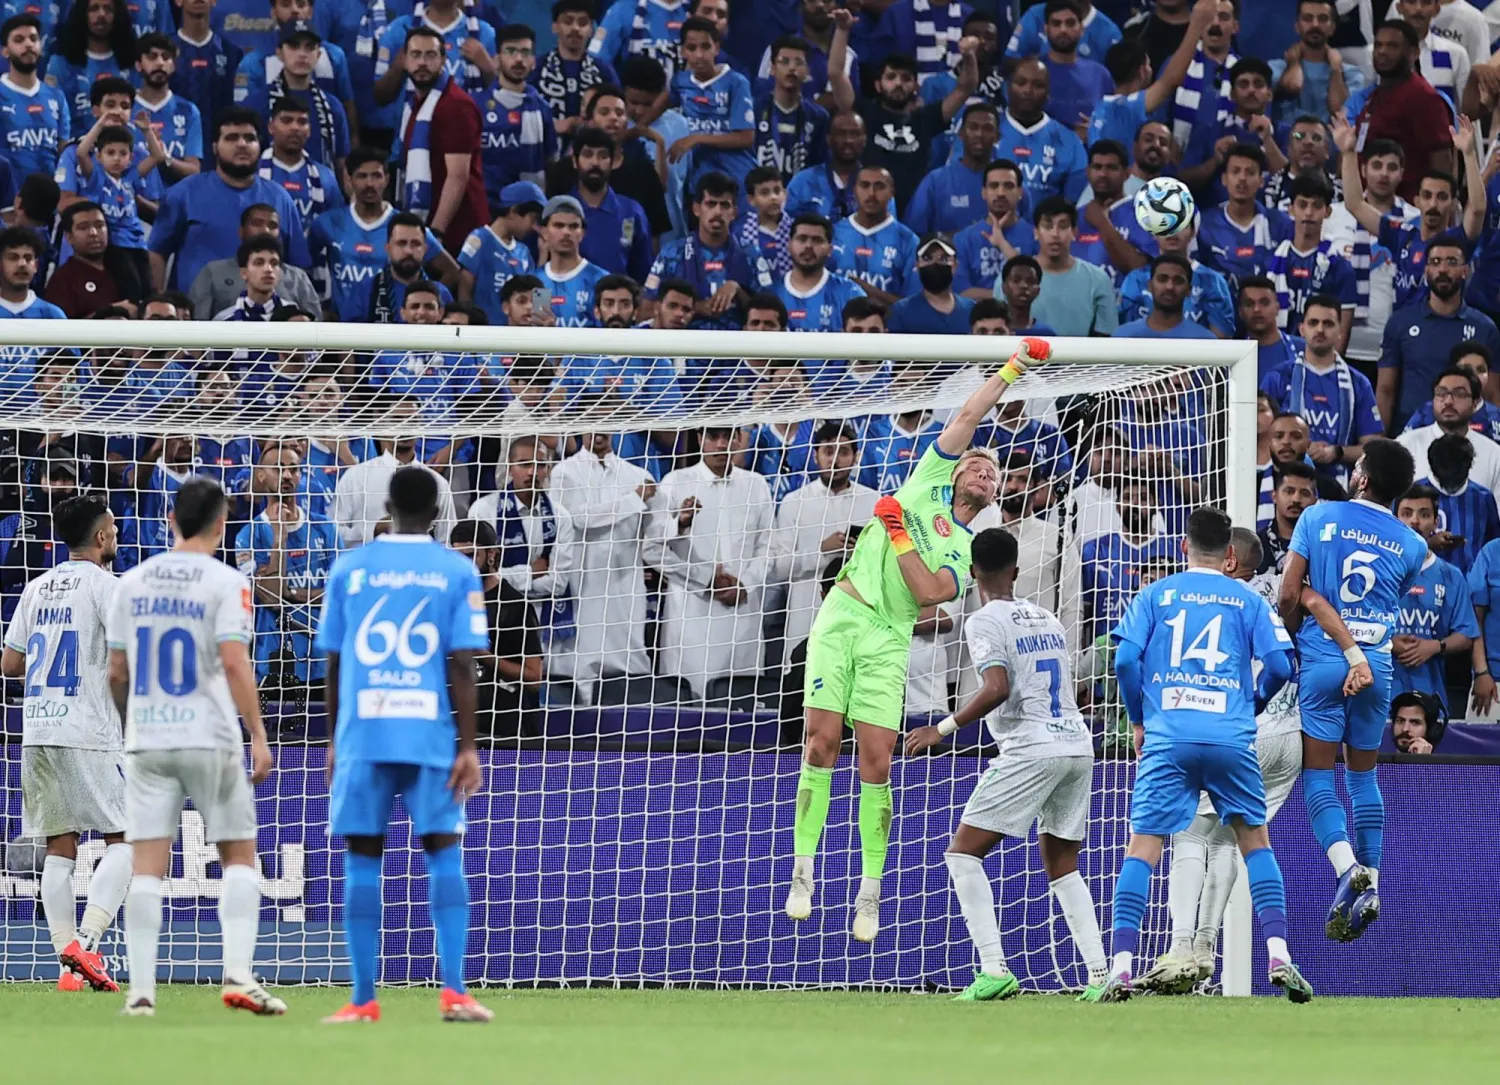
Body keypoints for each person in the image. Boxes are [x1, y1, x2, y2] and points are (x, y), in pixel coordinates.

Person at [784, 336, 1048, 943]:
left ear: (996, 495)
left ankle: (870, 891)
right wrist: (1013, 367)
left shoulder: (966, 549)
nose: (985, 471)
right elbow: (968, 414)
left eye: (995, 473)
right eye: (977, 465)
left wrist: (897, 532)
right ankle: (803, 873)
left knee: (876, 762)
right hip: (842, 617)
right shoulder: (929, 477)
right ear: (956, 471)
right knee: (820, 745)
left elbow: (930, 592)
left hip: (889, 639)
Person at [1091, 505, 1312, 1004]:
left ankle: (1121, 967)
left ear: (1184, 547)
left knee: (1145, 845)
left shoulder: (1155, 594)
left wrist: (1138, 718)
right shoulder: (1248, 599)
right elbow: (1280, 664)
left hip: (1169, 736)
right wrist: (1249, 705)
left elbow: (1125, 658)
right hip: (1231, 736)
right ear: (1230, 554)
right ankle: (1279, 955)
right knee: (1254, 842)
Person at [1139, 526, 1354, 995]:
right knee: (1231, 841)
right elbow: (1287, 657)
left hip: (1236, 731)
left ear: (1230, 559)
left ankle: (1182, 948)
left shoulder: (1210, 596)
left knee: (1192, 834)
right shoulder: (1282, 591)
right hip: (1288, 738)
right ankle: (1206, 948)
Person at [317, 466, 492, 1024]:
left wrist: (333, 739)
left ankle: (364, 999)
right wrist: (468, 746)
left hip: (364, 732)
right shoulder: (456, 569)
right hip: (428, 733)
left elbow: (335, 660)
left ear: (386, 508)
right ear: (440, 513)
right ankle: (455, 992)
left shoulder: (349, 568)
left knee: (362, 860)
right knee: (444, 851)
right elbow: (462, 663)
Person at [904, 525, 1107, 1001]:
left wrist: (942, 729)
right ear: (1016, 570)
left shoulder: (982, 621)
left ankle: (994, 968)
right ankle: (1100, 976)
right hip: (1077, 744)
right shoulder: (1047, 617)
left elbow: (996, 688)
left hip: (1032, 747)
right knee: (1062, 865)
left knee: (962, 853)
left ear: (972, 571)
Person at [105, 478, 282, 1017]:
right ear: (222, 524)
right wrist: (257, 732)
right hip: (209, 735)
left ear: (171, 520)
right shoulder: (227, 582)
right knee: (239, 854)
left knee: (147, 866)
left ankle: (140, 992)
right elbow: (234, 662)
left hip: (149, 736)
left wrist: (130, 722)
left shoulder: (130, 583)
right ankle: (238, 974)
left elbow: (116, 671)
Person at [1278, 437, 1426, 943]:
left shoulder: (1318, 517)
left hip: (1323, 658)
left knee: (1319, 776)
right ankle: (1375, 884)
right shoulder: (1414, 545)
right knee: (1364, 780)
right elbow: (1383, 595)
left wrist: (1303, 626)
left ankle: (1347, 869)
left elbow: (1288, 594)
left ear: (1361, 478)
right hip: (1377, 666)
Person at [0, 495, 133, 994]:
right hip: (89, 732)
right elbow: (123, 661)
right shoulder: (108, 587)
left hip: (37, 731)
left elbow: (9, 665)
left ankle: (66, 959)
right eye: (114, 529)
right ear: (100, 538)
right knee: (127, 839)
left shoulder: (35, 589)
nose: (116, 536)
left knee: (60, 845)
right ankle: (89, 941)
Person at [1333, 111, 1484, 318]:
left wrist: (1469, 154)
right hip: (1402, 335)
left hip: (1444, 333)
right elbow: (1355, 204)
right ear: (1417, 201)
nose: (1433, 204)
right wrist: (1349, 153)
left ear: (1451, 204)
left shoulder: (1457, 241)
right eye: (1427, 196)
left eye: (1441, 197)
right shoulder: (1402, 235)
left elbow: (1477, 209)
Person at [547, 430, 658, 706]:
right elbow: (579, 517)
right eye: (592, 422)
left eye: (607, 420)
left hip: (625, 585)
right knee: (580, 661)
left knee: (630, 658)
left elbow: (654, 533)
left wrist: (680, 522)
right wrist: (633, 500)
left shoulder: (638, 475)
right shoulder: (564, 472)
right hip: (582, 584)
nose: (599, 431)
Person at [147, 107, 309, 292]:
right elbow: (157, 253)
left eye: (250, 138)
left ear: (260, 146)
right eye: (232, 138)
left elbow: (297, 265)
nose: (242, 144)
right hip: (196, 314)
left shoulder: (280, 198)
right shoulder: (183, 193)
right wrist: (159, 301)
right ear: (215, 147)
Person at [831, 23, 978, 214]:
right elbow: (835, 74)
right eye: (891, 77)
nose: (898, 83)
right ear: (878, 84)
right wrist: (842, 30)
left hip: (915, 214)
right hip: (868, 209)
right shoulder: (863, 112)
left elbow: (965, 87)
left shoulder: (926, 118)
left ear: (916, 86)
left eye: (906, 78)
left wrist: (968, 56)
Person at [768, 422, 879, 670]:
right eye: (828, 452)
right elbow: (778, 568)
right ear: (815, 455)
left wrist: (858, 555)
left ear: (855, 457)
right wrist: (822, 550)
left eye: (843, 452)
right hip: (805, 620)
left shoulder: (873, 501)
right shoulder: (794, 502)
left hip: (859, 619)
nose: (835, 460)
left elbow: (885, 566)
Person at [307, 150, 458, 322]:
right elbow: (306, 266)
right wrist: (323, 307)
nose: (370, 183)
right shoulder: (326, 223)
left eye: (376, 176)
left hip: (402, 323)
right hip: (347, 323)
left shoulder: (406, 228)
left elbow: (452, 271)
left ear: (386, 179)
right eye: (362, 176)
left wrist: (427, 301)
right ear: (349, 179)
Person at [1260, 295, 1382, 481]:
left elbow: (1373, 447)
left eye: (1328, 324)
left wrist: (1338, 452)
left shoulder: (1358, 383)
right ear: (1302, 329)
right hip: (1284, 485)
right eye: (1313, 323)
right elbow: (1259, 436)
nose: (1320, 329)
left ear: (1340, 331)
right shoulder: (1278, 377)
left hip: (1339, 486)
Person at [393, 25, 490, 253]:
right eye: (416, 55)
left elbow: (458, 175)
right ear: (405, 60)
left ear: (444, 59)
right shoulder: (415, 105)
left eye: (431, 55)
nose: (423, 63)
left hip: (457, 234)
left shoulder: (456, 105)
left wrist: (435, 233)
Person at [1325, 137, 1417, 366]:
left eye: (1392, 167)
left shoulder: (1415, 220)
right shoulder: (1332, 216)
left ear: (1402, 173)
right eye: (1377, 166)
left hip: (1394, 346)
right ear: (1363, 170)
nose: (1384, 174)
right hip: (1338, 341)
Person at [1393, 483, 1478, 712]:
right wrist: (1388, 643)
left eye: (1424, 514)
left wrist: (1435, 646)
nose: (1415, 521)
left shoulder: (1451, 575)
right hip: (1382, 692)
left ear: (1436, 522)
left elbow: (1466, 634)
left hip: (1431, 695)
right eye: (1407, 513)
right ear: (1395, 519)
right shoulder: (1377, 569)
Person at [1354, 20, 1455, 202]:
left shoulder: (1423, 97)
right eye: (1378, 45)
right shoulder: (1376, 94)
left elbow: (1440, 158)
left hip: (1408, 209)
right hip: (1371, 205)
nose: (1382, 51)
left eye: (1392, 46)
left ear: (1414, 53)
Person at [191, 203, 322, 319]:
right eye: (257, 223)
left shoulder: (297, 277)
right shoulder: (213, 272)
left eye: (272, 225)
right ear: (241, 231)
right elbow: (197, 325)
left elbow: (316, 327)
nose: (265, 230)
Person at [477, 24, 557, 207]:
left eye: (525, 52)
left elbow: (550, 161)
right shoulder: (475, 106)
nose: (519, 59)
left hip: (526, 211)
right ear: (496, 60)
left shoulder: (542, 109)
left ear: (534, 61)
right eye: (511, 51)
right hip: (482, 207)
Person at [994, 58, 1089, 207]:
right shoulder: (986, 132)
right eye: (1021, 83)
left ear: (1048, 94)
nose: (1027, 90)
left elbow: (1075, 203)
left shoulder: (1069, 141)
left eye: (1037, 85)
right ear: (1008, 87)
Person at [569, 124, 652, 281]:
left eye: (602, 156)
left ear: (613, 162)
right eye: (587, 155)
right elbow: (541, 275)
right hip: (562, 305)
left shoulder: (632, 212)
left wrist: (640, 304)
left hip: (617, 303)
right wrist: (540, 306)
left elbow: (644, 277)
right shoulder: (557, 212)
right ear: (574, 161)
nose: (595, 162)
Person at [1398, 366, 1500, 493]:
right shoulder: (1404, 446)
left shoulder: (1494, 454)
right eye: (1441, 393)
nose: (1448, 401)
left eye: (1459, 394)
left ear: (1475, 404)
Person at [905, 101, 999, 238]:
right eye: (973, 127)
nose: (979, 134)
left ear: (997, 137)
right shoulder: (936, 181)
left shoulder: (1008, 182)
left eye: (988, 128)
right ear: (961, 134)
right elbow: (913, 234)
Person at [46, 0, 137, 137]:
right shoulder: (60, 63)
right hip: (75, 149)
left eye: (108, 9)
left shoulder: (133, 62)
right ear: (82, 14)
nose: (101, 14)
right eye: (94, 8)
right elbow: (53, 115)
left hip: (125, 150)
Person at [1028, 196, 1117, 336]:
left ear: (1075, 233)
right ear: (1036, 232)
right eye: (1047, 226)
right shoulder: (1013, 278)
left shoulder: (1098, 280)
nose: (1055, 234)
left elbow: (1105, 338)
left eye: (1063, 226)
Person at [458, 180, 544, 323]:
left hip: (518, 339)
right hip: (485, 336)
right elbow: (464, 288)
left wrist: (545, 255)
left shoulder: (524, 252)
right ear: (513, 211)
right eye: (532, 219)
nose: (534, 227)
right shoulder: (480, 239)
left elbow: (540, 301)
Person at [1268, 0, 1363, 123]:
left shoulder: (1352, 74)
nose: (1315, 25)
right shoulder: (1274, 69)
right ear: (1297, 26)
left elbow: (1340, 112)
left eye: (1323, 19)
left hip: (1333, 140)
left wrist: (1336, 71)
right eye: (1307, 18)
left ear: (1332, 28)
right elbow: (1293, 86)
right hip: (1285, 140)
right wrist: (1293, 63)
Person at [954, 159, 1036, 299]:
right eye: (994, 186)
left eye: (1008, 186)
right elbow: (961, 293)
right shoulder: (963, 239)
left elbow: (1040, 286)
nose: (1000, 193)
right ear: (983, 193)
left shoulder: (1035, 236)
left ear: (1020, 192)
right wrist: (1012, 296)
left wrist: (1002, 243)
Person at [532, 0, 619, 131]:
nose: (575, 28)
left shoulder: (604, 71)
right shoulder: (536, 68)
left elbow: (618, 113)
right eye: (568, 21)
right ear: (555, 27)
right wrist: (554, 127)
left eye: (583, 23)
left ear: (591, 30)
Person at [753, 35, 829, 181]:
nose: (792, 68)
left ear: (807, 71)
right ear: (773, 69)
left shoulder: (818, 117)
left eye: (799, 62)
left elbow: (819, 167)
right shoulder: (753, 109)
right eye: (784, 62)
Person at [132, 32, 205, 184]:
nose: (160, 63)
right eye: (152, 57)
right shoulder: (126, 108)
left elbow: (194, 169)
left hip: (175, 199)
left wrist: (166, 159)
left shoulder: (189, 111)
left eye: (166, 57)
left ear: (173, 65)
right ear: (138, 65)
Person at [785, 108, 868, 224]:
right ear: (829, 139)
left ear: (864, 140)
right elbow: (784, 227)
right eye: (841, 134)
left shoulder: (875, 184)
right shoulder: (802, 182)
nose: (848, 140)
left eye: (854, 134)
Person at [45, 201, 125, 318]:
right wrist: (110, 311)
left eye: (99, 226)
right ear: (69, 237)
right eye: (83, 228)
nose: (93, 233)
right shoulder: (63, 280)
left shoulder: (124, 270)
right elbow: (62, 330)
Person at [1115, 253, 1220, 339]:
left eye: (1178, 281)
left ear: (1189, 290)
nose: (1169, 287)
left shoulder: (1204, 340)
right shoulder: (1124, 336)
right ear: (1150, 286)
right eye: (1162, 279)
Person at [1259, 460, 1319, 573]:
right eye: (1289, 491)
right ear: (1274, 495)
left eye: (1305, 493)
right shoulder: (1257, 545)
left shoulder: (1322, 546)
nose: (1296, 499)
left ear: (1315, 500)